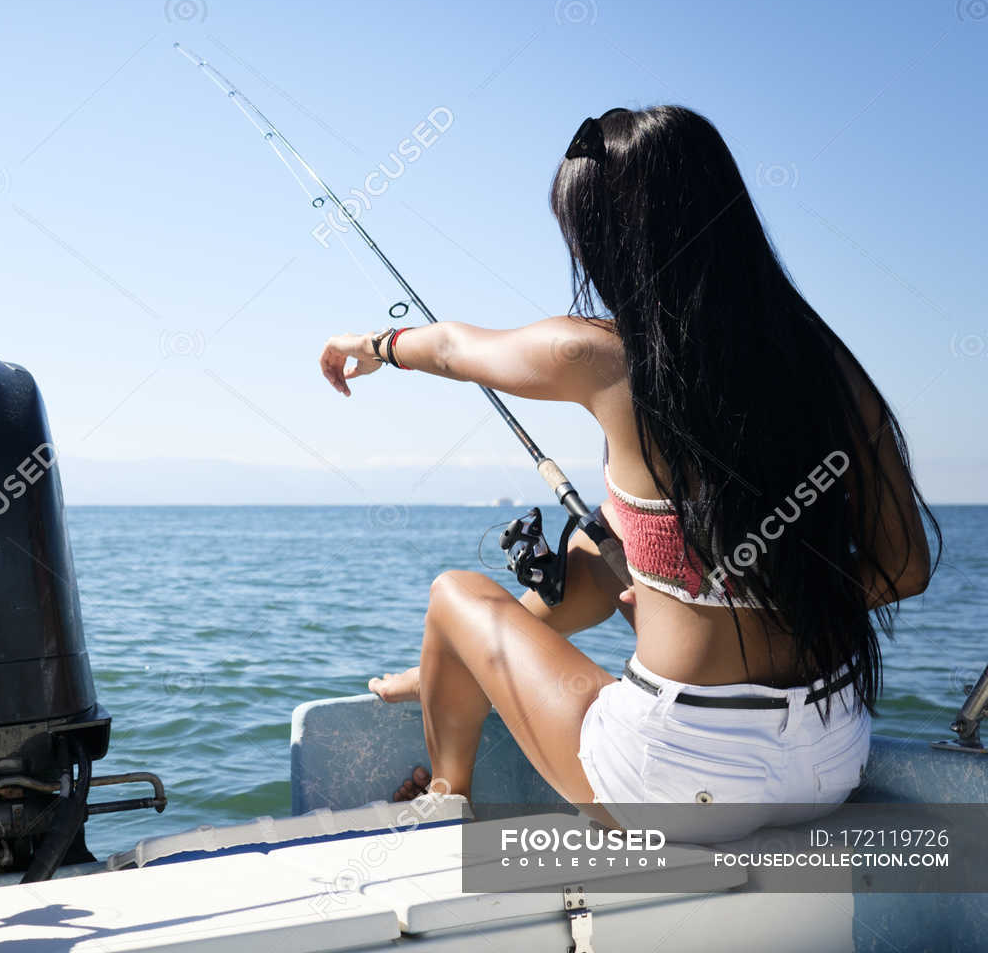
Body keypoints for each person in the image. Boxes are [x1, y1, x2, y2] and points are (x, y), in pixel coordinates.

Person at [319, 105, 937, 839]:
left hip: (680, 783)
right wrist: (733, 596)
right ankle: (458, 673)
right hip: (831, 763)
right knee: (613, 544)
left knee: (456, 595)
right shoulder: (827, 365)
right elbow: (905, 569)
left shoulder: (598, 355)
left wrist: (376, 343)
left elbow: (453, 348)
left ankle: (443, 802)